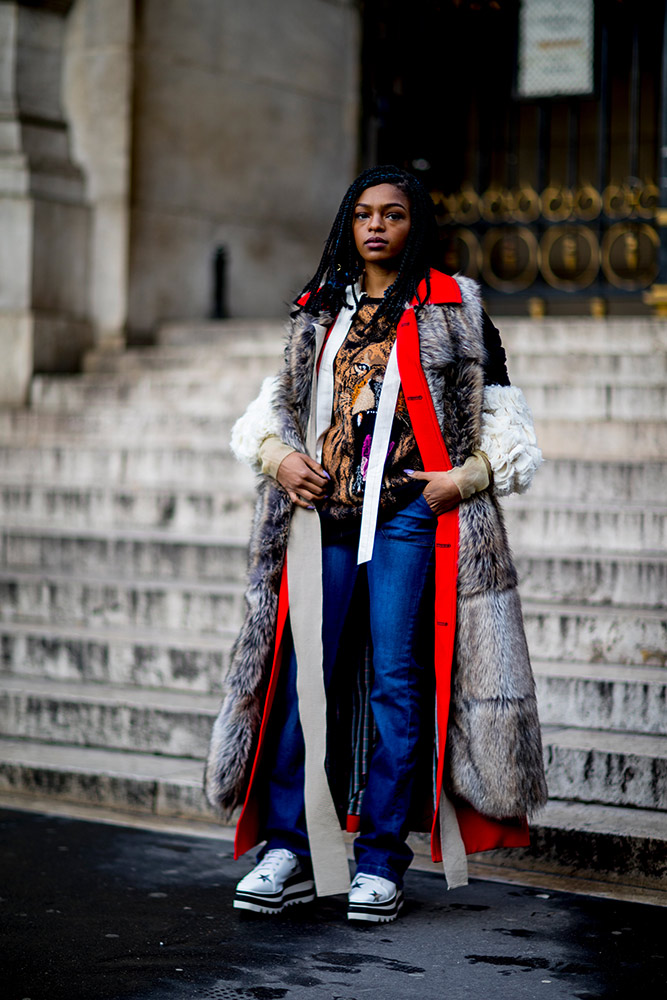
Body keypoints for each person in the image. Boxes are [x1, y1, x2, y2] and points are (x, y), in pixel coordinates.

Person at [205, 165, 547, 923]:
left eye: (392, 214)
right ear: (347, 224)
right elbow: (268, 413)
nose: (375, 226)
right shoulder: (318, 308)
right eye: (362, 213)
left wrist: (464, 478)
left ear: (413, 224)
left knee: (396, 680)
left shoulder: (456, 309)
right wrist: (278, 457)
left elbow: (507, 423)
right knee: (307, 681)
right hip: (321, 519)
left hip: (408, 518)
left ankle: (382, 860)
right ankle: (290, 848)